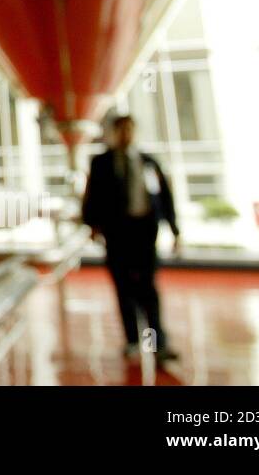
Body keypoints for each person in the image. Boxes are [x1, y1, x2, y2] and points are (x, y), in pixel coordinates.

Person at [81, 114, 181, 362]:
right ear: (114, 133)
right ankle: (133, 341)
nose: (126, 134)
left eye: (130, 129)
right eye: (121, 130)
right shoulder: (101, 163)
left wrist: (175, 230)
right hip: (117, 234)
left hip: (145, 233)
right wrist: (92, 225)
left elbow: (165, 198)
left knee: (148, 288)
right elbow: (91, 196)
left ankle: (158, 344)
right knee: (124, 288)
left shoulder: (149, 163)